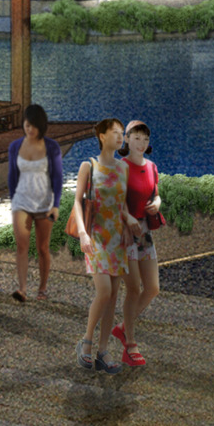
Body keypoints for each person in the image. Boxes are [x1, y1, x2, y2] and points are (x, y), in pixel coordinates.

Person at [69, 119, 131, 372]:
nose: (120, 137)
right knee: (104, 291)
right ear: (101, 136)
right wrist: (82, 233)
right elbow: (77, 201)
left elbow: (122, 204)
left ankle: (103, 352)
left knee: (113, 296)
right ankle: (86, 342)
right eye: (115, 133)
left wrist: (130, 222)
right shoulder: (89, 166)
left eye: (122, 134)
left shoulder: (122, 168)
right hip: (96, 236)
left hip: (118, 238)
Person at [117, 120, 166, 364]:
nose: (141, 143)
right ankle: (130, 345)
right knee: (134, 288)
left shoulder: (152, 167)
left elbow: (156, 194)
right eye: (136, 138)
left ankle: (124, 326)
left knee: (152, 288)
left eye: (145, 139)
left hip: (144, 232)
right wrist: (126, 216)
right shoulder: (120, 167)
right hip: (125, 234)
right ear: (126, 140)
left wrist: (157, 204)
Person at [5, 106, 62, 306]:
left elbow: (57, 177)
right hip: (21, 201)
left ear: (41, 127)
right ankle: (22, 288)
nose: (29, 130)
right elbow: (12, 176)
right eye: (27, 125)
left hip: (44, 202)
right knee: (21, 245)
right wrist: (13, 200)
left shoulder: (52, 147)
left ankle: (43, 288)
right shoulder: (15, 146)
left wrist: (55, 204)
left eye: (34, 126)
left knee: (43, 248)